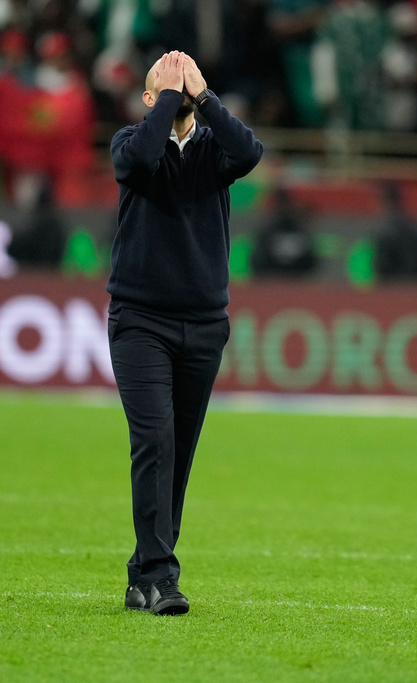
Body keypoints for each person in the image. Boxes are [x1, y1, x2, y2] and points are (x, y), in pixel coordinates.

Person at [107, 51, 263, 615]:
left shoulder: (214, 152)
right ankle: (161, 577)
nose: (175, 89)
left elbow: (250, 151)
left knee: (180, 453)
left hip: (203, 325)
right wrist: (172, 95)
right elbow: (146, 155)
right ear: (150, 100)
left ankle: (140, 572)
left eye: (182, 84)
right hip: (139, 320)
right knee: (155, 441)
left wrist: (204, 98)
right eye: (163, 86)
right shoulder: (130, 142)